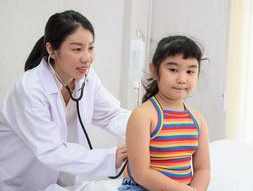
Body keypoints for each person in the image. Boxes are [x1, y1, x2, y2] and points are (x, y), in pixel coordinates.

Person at [0, 10, 130, 191]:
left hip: (62, 183)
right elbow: (51, 151)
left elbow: (111, 115)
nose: (87, 58)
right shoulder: (30, 88)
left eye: (90, 48)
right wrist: (112, 157)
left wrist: (149, 127)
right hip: (22, 184)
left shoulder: (87, 78)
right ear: (51, 50)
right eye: (77, 49)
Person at [118, 35, 211, 191]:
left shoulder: (197, 119)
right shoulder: (143, 115)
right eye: (173, 70)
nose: (182, 79)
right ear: (154, 71)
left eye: (190, 71)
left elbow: (203, 169)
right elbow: (141, 173)